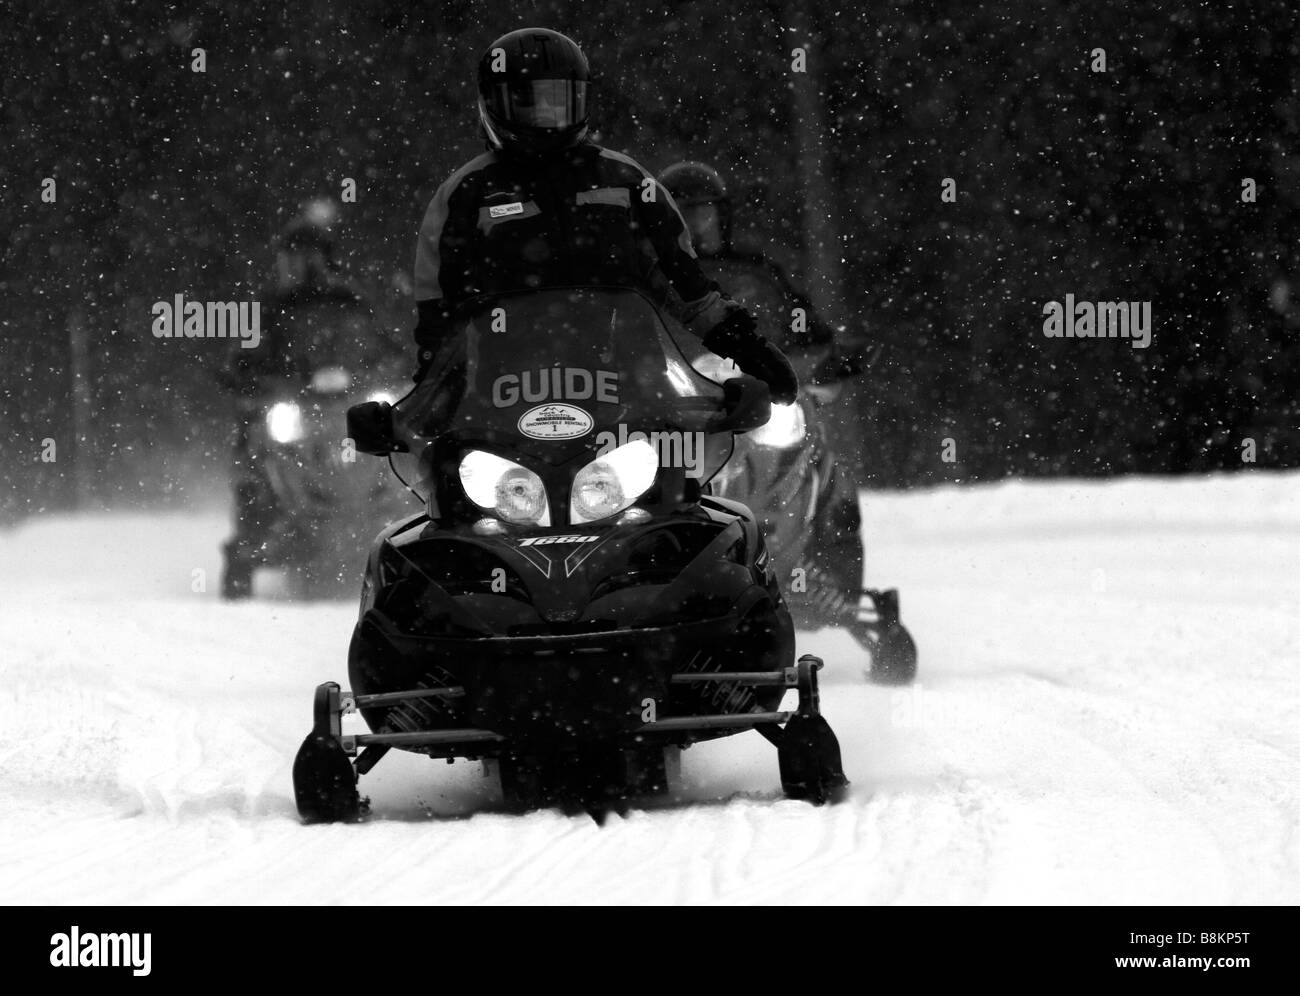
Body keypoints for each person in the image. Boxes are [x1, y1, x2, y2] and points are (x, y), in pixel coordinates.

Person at [408, 27, 796, 410]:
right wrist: (428, 400)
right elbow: (439, 315)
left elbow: (686, 286)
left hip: (634, 393)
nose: (547, 115)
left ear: (582, 100)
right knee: (447, 469)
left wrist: (748, 348)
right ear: (494, 104)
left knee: (685, 467)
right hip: (506, 400)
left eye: (559, 100)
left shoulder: (628, 181)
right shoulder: (464, 193)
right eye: (531, 101)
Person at [660, 161, 875, 636]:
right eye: (684, 213)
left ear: (722, 215)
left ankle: (823, 570)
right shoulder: (653, 283)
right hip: (685, 403)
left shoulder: (758, 274)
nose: (696, 224)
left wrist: (825, 358)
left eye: (704, 212)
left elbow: (807, 330)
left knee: (819, 455)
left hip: (755, 394)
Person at [219, 199, 376, 599]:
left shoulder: (349, 304)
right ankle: (251, 538)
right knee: (256, 455)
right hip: (291, 408)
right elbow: (243, 359)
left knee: (395, 443)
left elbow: (381, 349)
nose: (305, 265)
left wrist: (390, 369)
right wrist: (249, 380)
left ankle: (391, 514)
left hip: (345, 405)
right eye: (296, 257)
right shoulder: (269, 309)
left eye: (312, 256)